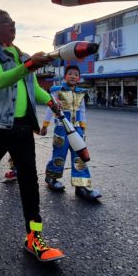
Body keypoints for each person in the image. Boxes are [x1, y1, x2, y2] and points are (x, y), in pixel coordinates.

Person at [0, 9, 65, 262]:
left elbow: (32, 89)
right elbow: (0, 80)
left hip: (23, 127)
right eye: (4, 22)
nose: (12, 24)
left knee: (29, 180)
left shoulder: (22, 55)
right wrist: (30, 64)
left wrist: (52, 101)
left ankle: (34, 237)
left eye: (12, 21)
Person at [40, 65, 102, 201]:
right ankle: (51, 177)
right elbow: (50, 109)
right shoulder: (57, 91)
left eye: (76, 74)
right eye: (70, 74)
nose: (73, 76)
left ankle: (81, 187)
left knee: (80, 157)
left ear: (79, 78)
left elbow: (82, 111)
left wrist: (83, 127)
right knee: (59, 155)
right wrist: (45, 126)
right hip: (61, 129)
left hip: (77, 129)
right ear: (65, 76)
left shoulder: (81, 93)